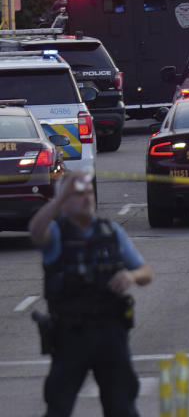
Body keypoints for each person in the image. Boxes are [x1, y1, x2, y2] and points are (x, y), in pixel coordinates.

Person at [29, 169, 153, 417]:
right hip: (71, 335)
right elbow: (35, 230)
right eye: (78, 194)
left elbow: (145, 272)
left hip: (111, 333)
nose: (87, 198)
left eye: (89, 192)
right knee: (59, 406)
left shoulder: (110, 231)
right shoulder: (56, 233)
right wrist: (60, 197)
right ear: (63, 201)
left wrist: (131, 276)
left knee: (122, 406)